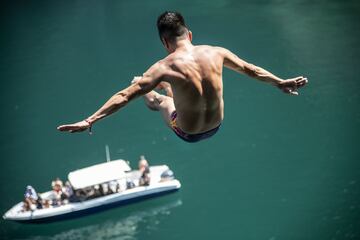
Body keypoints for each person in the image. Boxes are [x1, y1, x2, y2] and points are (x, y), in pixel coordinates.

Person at [57, 11, 308, 142]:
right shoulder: (217, 52)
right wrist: (280, 82)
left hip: (188, 133)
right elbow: (251, 69)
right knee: (175, 88)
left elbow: (123, 97)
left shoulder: (162, 67)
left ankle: (158, 90)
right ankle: (170, 89)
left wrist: (90, 121)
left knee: (156, 97)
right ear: (189, 34)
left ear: (165, 42)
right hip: (217, 126)